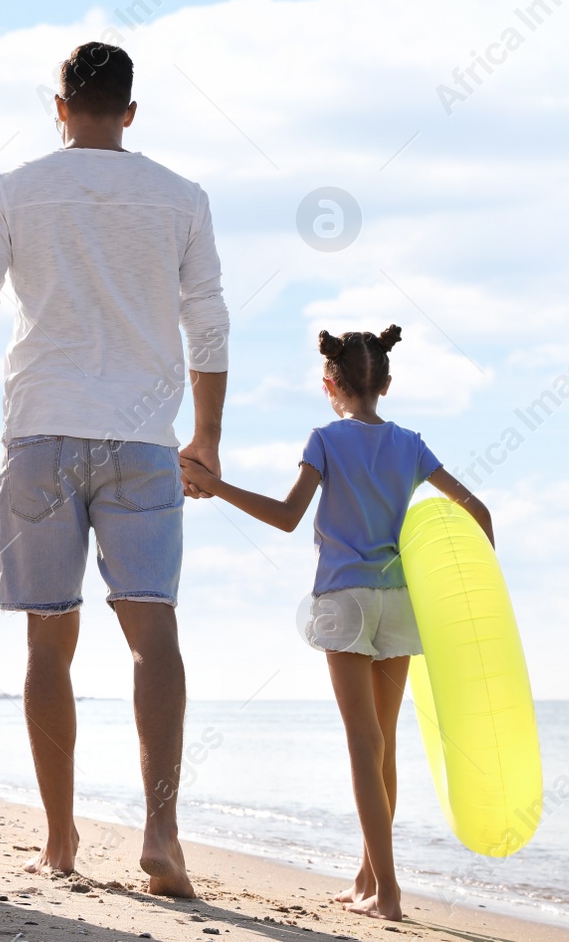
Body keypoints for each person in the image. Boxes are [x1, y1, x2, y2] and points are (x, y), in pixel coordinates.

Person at [0, 42, 229, 897]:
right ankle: (161, 831)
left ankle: (59, 838)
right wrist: (207, 433)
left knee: (49, 641)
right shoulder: (181, 197)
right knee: (152, 631)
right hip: (144, 440)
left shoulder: (15, 189)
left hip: (44, 431)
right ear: (130, 111)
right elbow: (208, 318)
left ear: (58, 106)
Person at [179, 325, 493, 922]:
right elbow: (475, 510)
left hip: (346, 600)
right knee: (384, 744)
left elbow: (287, 517)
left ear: (331, 383)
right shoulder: (410, 444)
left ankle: (390, 894)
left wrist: (217, 488)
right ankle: (366, 878)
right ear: (387, 383)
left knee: (361, 744)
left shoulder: (326, 439)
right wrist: (481, 601)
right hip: (401, 601)